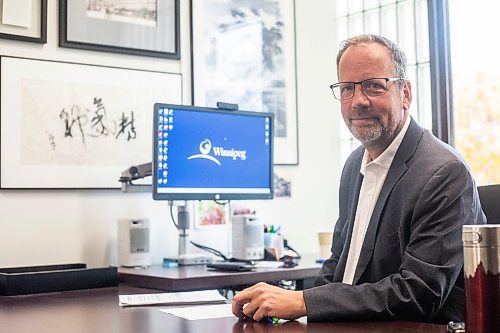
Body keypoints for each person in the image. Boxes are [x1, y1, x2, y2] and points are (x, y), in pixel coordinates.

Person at [232, 34, 486, 324]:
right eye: (347, 89)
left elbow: (418, 293)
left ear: (405, 93)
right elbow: (338, 267)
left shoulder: (445, 173)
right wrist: (282, 311)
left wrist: (302, 301)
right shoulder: (355, 165)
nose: (358, 101)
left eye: (373, 86)